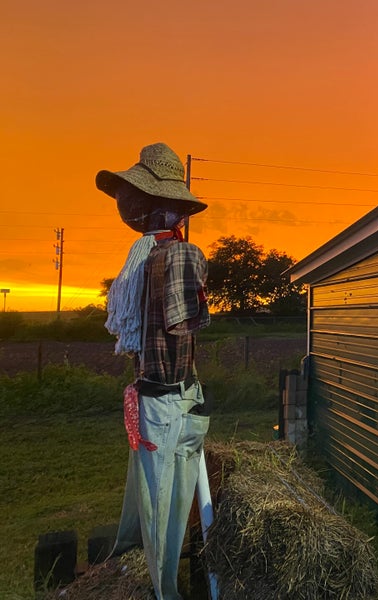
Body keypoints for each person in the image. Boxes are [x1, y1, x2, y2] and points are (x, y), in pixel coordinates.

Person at [96, 142, 211, 600]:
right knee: (159, 501)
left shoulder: (154, 256)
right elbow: (181, 327)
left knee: (158, 497)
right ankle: (160, 587)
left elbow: (169, 328)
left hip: (160, 398)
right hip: (164, 396)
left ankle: (158, 583)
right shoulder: (168, 255)